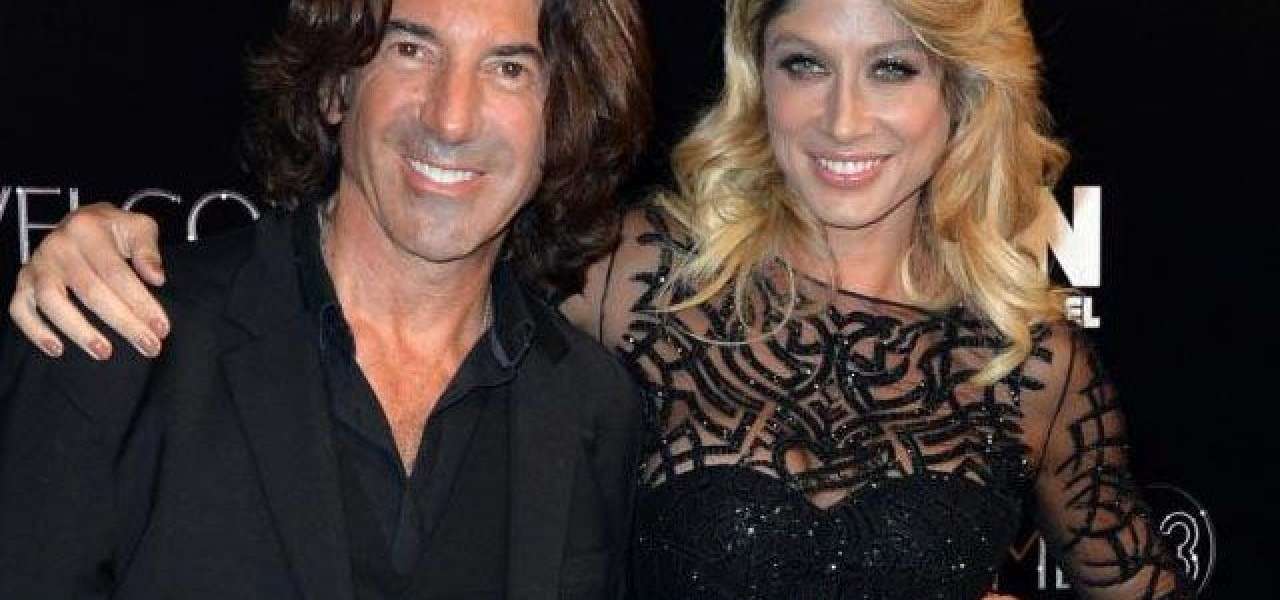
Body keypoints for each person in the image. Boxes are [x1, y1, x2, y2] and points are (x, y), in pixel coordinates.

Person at [7, 0, 1193, 598]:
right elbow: (400, 257)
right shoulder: (637, 286)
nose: (840, 118)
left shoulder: (1030, 365)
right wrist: (98, 241)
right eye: (802, 65)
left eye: (890, 67)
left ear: (961, 94)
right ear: (759, 83)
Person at [0, 0, 650, 598]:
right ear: (338, 84)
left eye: (508, 69)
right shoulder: (116, 341)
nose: (451, 117)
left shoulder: (594, 407)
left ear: (562, 117)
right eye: (411, 50)